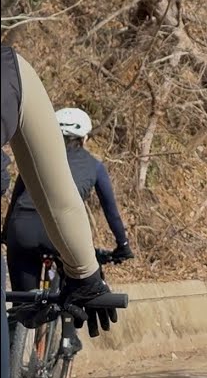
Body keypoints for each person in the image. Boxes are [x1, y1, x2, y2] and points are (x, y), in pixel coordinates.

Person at [1, 45, 119, 378]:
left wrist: (6, 235)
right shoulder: (10, 68)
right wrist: (88, 272)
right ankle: (65, 336)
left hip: (19, 231)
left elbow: (20, 200)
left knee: (21, 300)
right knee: (57, 293)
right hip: (55, 235)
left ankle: (20, 335)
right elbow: (64, 202)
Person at [5, 107, 134, 293]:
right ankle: (71, 314)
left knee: (22, 300)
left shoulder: (35, 157)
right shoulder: (94, 166)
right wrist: (123, 245)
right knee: (80, 291)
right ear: (84, 139)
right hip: (62, 230)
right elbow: (111, 212)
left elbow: (17, 197)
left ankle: (21, 316)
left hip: (22, 228)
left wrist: (6, 232)